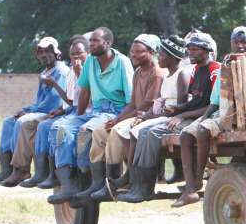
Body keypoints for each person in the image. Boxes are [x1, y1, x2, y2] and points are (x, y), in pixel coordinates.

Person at [173, 26, 246, 208]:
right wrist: (204, 117)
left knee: (203, 130)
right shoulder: (226, 65)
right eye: (236, 43)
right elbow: (215, 99)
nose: (240, 46)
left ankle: (199, 179)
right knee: (185, 134)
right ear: (231, 43)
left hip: (240, 117)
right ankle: (191, 188)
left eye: (244, 42)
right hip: (222, 112)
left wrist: (245, 56)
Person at [118, 32, 220, 203]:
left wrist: (180, 114)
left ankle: (146, 188)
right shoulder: (195, 70)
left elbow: (213, 104)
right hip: (190, 115)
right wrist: (178, 109)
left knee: (152, 133)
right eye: (189, 49)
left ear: (207, 50)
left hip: (206, 116)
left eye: (195, 50)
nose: (190, 53)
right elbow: (194, 101)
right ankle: (137, 185)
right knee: (142, 133)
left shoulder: (213, 70)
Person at [48, 27, 134, 204]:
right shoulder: (91, 62)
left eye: (95, 41)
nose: (91, 44)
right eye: (91, 41)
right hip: (95, 111)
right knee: (60, 128)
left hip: (115, 111)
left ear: (107, 43)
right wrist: (76, 117)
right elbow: (85, 92)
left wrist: (120, 119)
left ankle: (89, 179)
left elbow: (131, 99)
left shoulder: (122, 62)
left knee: (85, 131)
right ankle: (68, 185)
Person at [75, 34, 164, 203]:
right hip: (137, 113)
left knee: (117, 131)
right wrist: (117, 118)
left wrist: (119, 122)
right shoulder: (138, 72)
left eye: (138, 52)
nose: (134, 55)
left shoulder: (157, 73)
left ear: (151, 52)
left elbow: (146, 105)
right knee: (101, 132)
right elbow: (132, 103)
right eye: (132, 52)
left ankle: (121, 181)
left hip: (150, 115)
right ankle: (103, 182)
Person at [0, 37, 70, 186]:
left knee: (23, 121)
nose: (44, 54)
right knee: (9, 121)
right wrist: (26, 109)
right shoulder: (45, 72)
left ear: (56, 53)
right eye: (40, 51)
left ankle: (21, 169)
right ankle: (6, 169)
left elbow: (54, 102)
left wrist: (29, 112)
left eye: (48, 51)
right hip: (41, 110)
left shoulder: (61, 71)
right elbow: (40, 102)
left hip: (55, 112)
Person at [23, 35, 90, 188]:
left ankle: (61, 175)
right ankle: (47, 172)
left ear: (88, 53)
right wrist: (60, 110)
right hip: (72, 110)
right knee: (45, 126)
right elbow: (70, 99)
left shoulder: (87, 70)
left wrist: (55, 84)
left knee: (55, 128)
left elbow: (87, 98)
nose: (76, 57)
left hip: (86, 111)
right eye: (73, 54)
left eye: (79, 53)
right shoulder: (73, 71)